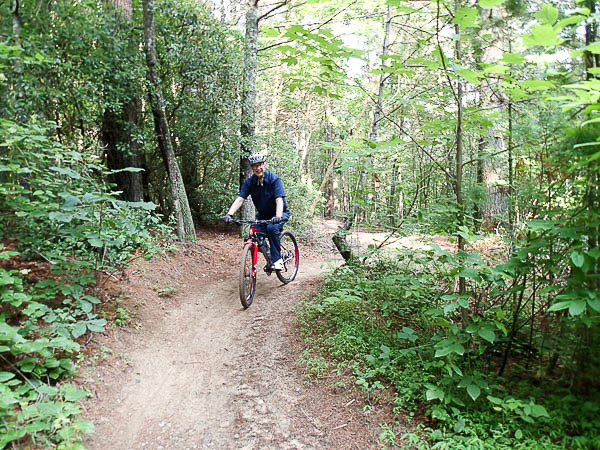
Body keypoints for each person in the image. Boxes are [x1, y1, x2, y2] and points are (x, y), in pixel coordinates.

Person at [223, 151, 291, 270]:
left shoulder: (274, 179)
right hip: (264, 216)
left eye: (260, 164)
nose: (258, 168)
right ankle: (268, 252)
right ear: (252, 168)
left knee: (271, 228)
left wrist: (278, 216)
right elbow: (240, 199)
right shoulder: (250, 182)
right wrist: (230, 214)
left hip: (279, 214)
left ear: (265, 164)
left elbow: (279, 200)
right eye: (255, 165)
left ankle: (277, 260)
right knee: (253, 232)